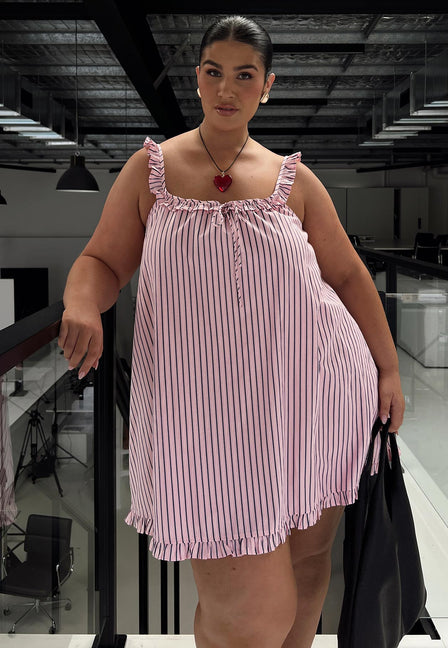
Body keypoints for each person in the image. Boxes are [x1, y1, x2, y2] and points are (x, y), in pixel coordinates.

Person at [59, 15, 405, 648]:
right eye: (214, 72)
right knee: (247, 617)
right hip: (200, 420)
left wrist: (387, 369)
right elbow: (102, 261)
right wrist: (81, 302)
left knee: (307, 567)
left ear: (266, 87)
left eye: (245, 75)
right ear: (197, 78)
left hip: (312, 400)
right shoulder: (152, 170)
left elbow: (349, 277)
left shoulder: (294, 181)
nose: (227, 88)